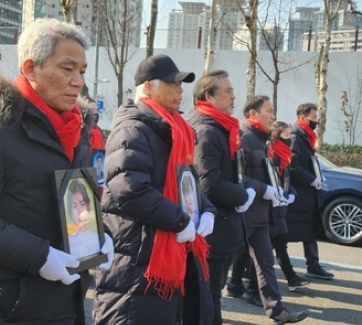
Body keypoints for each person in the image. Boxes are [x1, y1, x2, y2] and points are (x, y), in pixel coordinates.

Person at [0, 19, 114, 325]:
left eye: (82, 71)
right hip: (10, 304)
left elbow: (75, 198)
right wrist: (41, 256)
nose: (78, 81)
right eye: (67, 68)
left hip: (67, 294)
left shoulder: (76, 129)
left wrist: (100, 235)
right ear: (31, 68)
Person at [93, 54, 216, 325]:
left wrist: (206, 210)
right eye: (172, 84)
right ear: (148, 87)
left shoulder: (176, 129)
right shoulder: (133, 130)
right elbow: (129, 189)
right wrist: (181, 220)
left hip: (169, 253)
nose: (180, 90)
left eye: (181, 85)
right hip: (138, 261)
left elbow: (188, 182)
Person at [187, 70, 254, 325]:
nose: (234, 96)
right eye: (227, 91)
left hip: (222, 226)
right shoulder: (206, 130)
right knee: (208, 296)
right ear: (208, 95)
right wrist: (242, 195)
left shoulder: (220, 127)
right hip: (213, 230)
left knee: (210, 294)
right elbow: (209, 183)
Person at [238, 96, 308, 324]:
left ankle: (277, 311)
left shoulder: (262, 141)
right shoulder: (244, 139)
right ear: (253, 113)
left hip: (260, 216)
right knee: (217, 267)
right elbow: (238, 177)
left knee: (266, 263)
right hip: (243, 215)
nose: (273, 115)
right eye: (268, 111)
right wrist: (263, 189)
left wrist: (277, 193)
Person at [287, 103, 333, 280]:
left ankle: (313, 265)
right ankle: (252, 266)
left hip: (307, 193)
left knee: (310, 231)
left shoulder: (306, 136)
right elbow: (292, 166)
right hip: (297, 193)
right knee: (284, 234)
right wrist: (311, 179)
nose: (316, 122)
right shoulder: (296, 136)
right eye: (314, 118)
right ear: (303, 117)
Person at [269, 121, 312, 291]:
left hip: (280, 207)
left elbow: (286, 180)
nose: (289, 139)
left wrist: (291, 193)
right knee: (279, 242)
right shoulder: (272, 155)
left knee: (273, 244)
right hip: (272, 208)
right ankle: (291, 278)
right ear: (276, 136)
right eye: (286, 135)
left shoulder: (284, 156)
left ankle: (236, 281)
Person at [67, 179, 101, 259]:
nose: (79, 211)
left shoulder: (97, 238)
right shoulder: (68, 243)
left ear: (88, 207)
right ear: (71, 213)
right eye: (75, 206)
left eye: (82, 204)